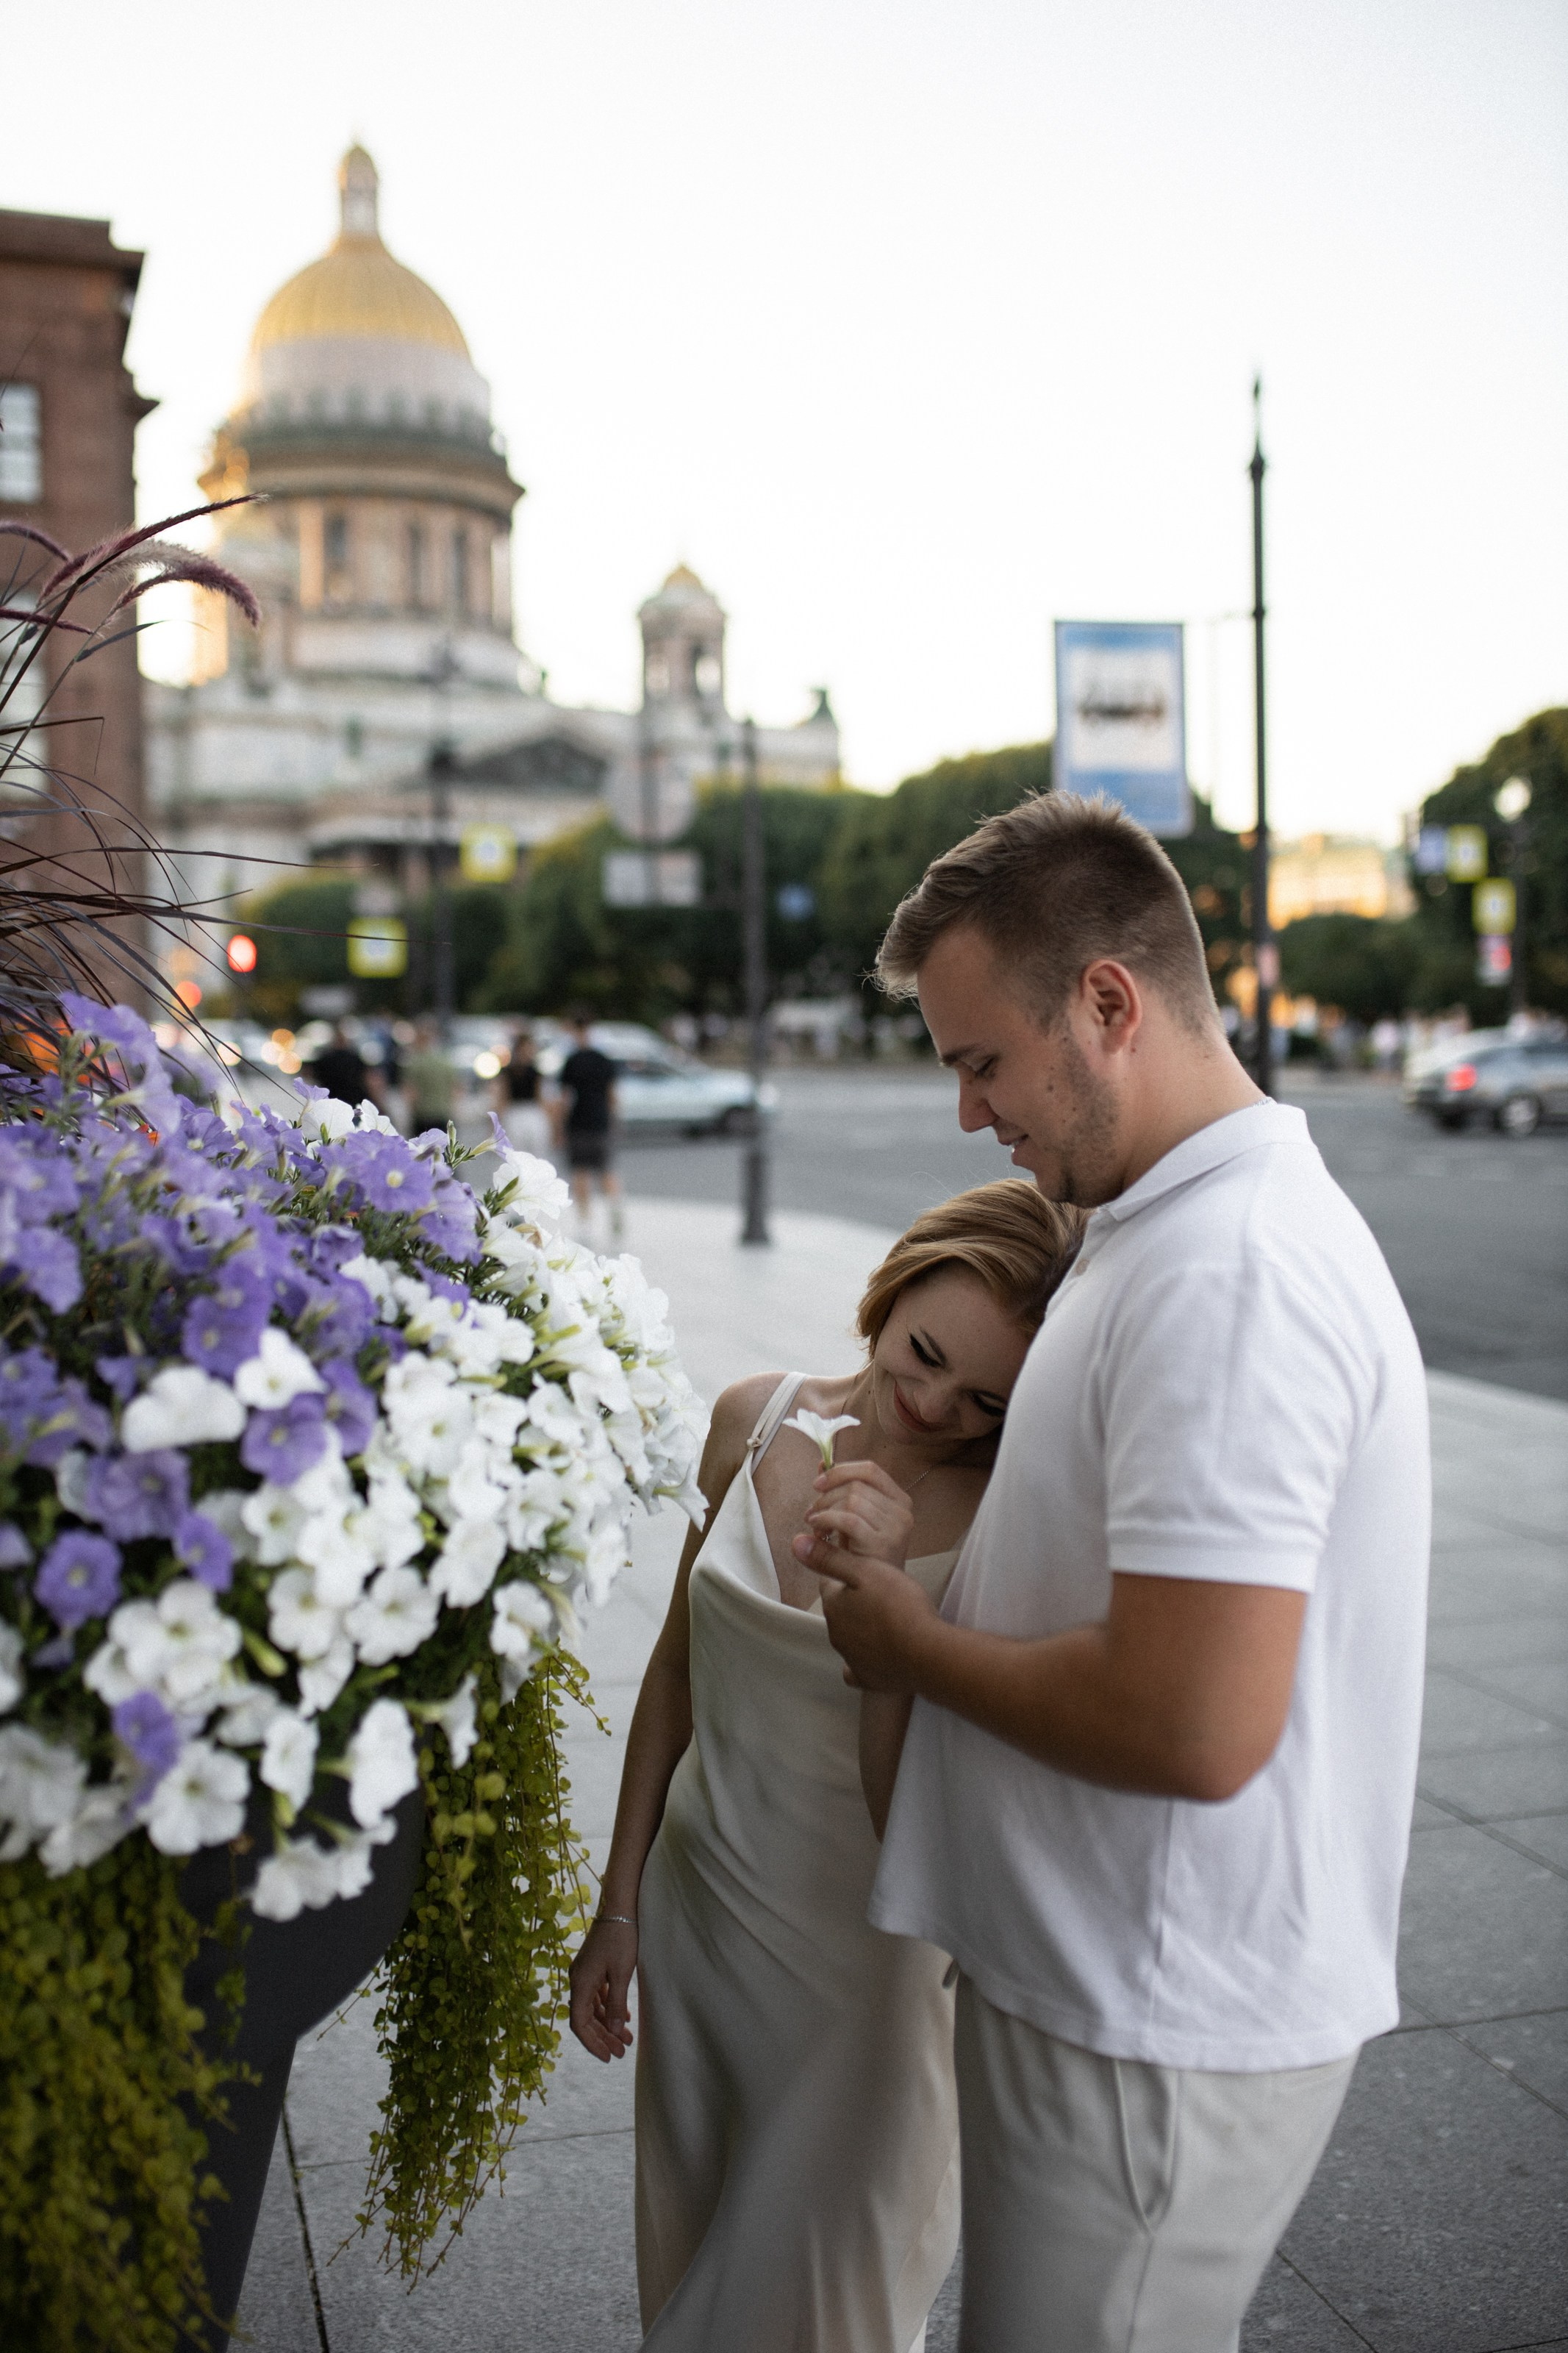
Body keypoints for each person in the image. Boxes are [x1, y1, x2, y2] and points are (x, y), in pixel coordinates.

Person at [796, 792, 1431, 2353]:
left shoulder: (1233, 1271)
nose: (968, 1114)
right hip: (1102, 1985)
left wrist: (907, 1641)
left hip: (1151, 2021)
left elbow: (1190, 1723)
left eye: (980, 1062)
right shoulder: (1160, 1220)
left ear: (1105, 1003)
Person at [569, 1183, 1084, 2353]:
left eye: (984, 1400)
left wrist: (890, 1599)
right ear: (891, 1289)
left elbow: (946, 1798)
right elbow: (675, 1672)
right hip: (700, 1930)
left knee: (815, 2313)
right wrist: (618, 1906)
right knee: (695, 2268)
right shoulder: (751, 1417)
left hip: (872, 1979)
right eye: (924, 1353)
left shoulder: (1008, 1509)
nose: (933, 1405)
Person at [554, 1008, 621, 1240]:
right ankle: (615, 1209)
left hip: (579, 1121)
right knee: (606, 1170)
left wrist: (559, 1128)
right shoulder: (604, 1060)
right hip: (600, 1120)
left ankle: (585, 1220)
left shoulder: (572, 1061)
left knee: (580, 1171)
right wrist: (613, 1121)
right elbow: (613, 1096)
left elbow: (564, 1099)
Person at [493, 1022, 551, 1159]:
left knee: (536, 1152)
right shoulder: (508, 1072)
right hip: (515, 1111)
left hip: (532, 1110)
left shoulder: (536, 1072)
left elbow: (541, 1097)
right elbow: (503, 1096)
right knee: (514, 1153)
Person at [404, 1018, 454, 1135]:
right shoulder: (446, 1061)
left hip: (422, 1117)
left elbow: (411, 1093)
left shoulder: (415, 1063)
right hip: (443, 1115)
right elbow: (455, 1090)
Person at [307, 1019, 370, 1107]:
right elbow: (368, 1079)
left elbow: (310, 1074)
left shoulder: (325, 1058)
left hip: (332, 1105)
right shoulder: (354, 1058)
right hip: (354, 1104)